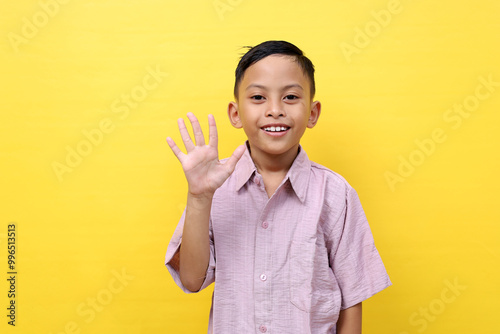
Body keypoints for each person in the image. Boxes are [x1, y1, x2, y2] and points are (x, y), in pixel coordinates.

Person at [165, 40, 391, 333]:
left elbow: (352, 299)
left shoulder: (336, 194)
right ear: (236, 113)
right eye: (258, 97)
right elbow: (192, 280)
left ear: (312, 112)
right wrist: (199, 197)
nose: (275, 110)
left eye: (291, 97)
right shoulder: (214, 188)